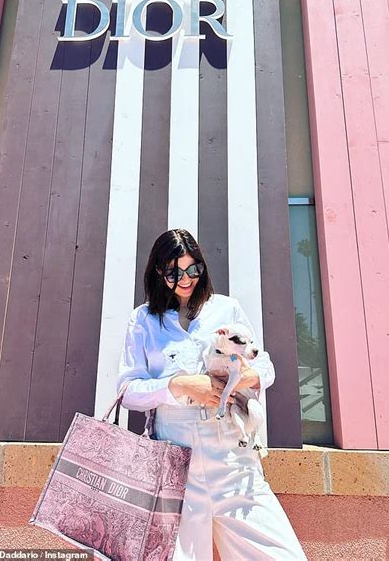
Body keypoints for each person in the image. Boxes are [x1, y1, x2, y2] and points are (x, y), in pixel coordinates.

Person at [116, 229, 307, 560]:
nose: (186, 278)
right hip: (175, 464)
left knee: (281, 554)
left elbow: (265, 366)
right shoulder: (144, 319)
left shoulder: (226, 309)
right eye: (175, 271)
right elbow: (128, 390)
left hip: (233, 460)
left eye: (194, 269)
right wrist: (179, 385)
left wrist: (249, 375)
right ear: (159, 272)